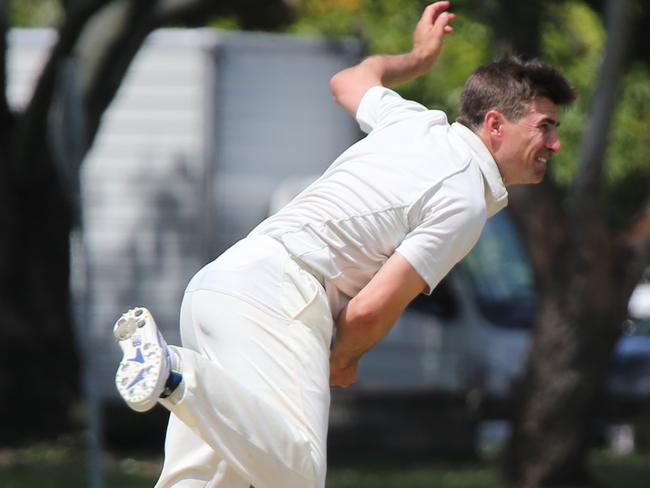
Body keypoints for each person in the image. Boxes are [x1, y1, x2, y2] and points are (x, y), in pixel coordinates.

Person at [113, 2, 576, 487]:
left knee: (209, 478)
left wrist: (415, 59)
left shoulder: (413, 122)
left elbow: (347, 81)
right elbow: (370, 310)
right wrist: (343, 359)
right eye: (544, 127)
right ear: (497, 126)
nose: (554, 144)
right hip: (281, 297)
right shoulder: (464, 198)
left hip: (219, 284)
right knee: (299, 473)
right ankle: (174, 374)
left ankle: (171, 372)